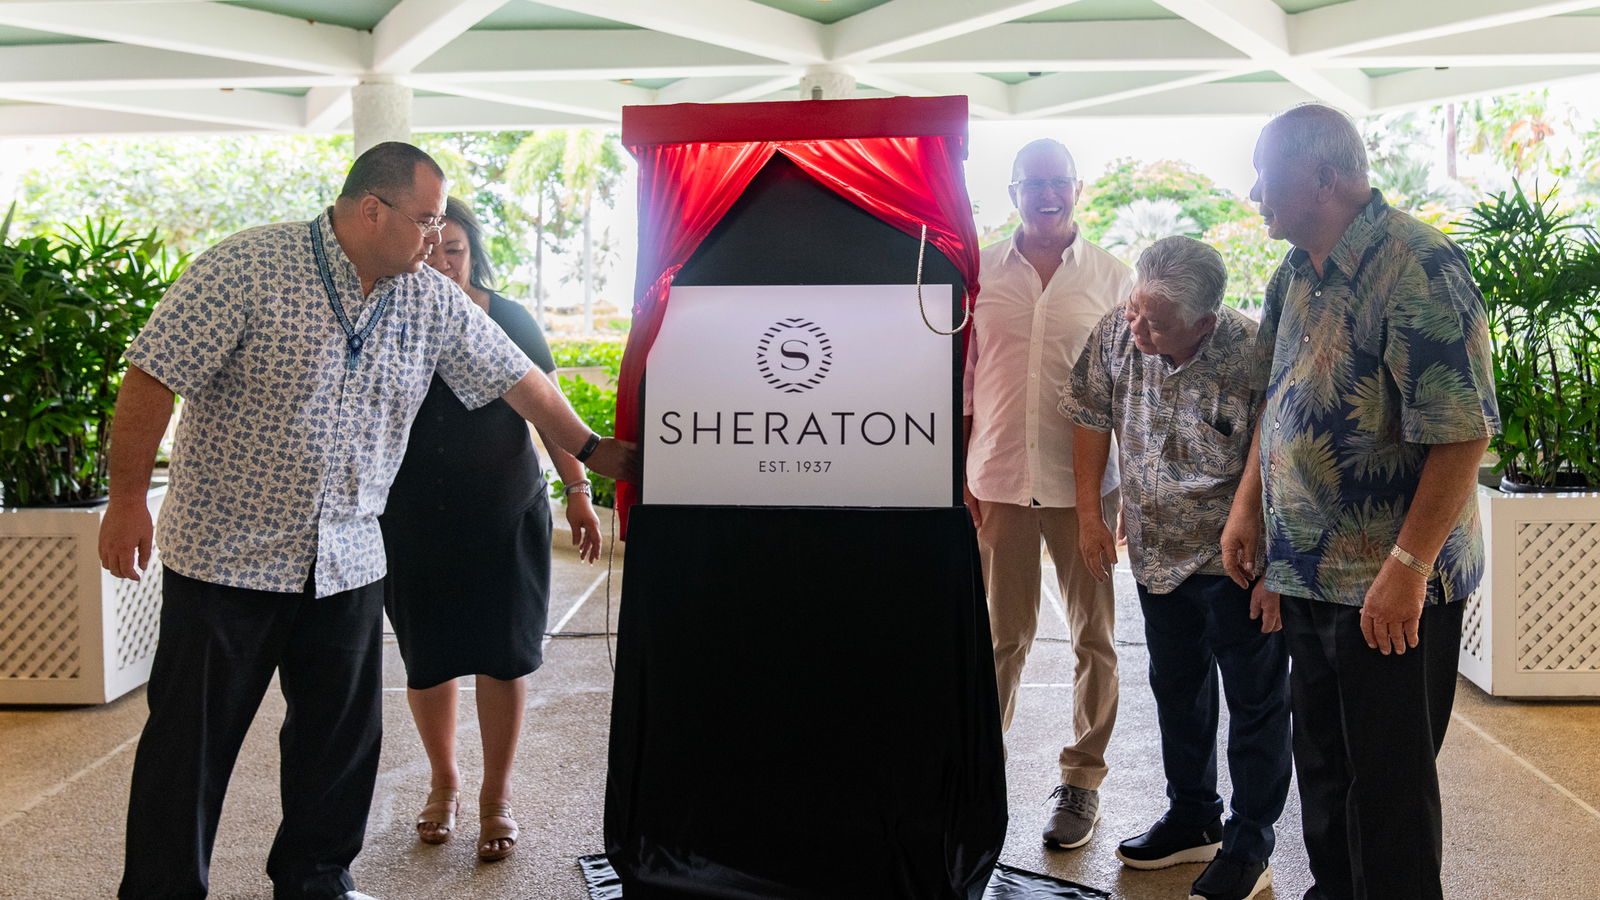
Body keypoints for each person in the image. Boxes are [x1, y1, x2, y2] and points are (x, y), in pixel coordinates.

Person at [99, 142, 637, 900]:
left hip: (349, 556)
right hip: (226, 557)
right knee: (189, 747)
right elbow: (155, 373)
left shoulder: (428, 295)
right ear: (371, 210)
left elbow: (520, 376)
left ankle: (318, 882)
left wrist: (589, 451)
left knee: (338, 748)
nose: (436, 240)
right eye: (425, 220)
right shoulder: (245, 266)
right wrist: (126, 501)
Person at [1220, 104, 1498, 900]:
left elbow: (1463, 433)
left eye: (1263, 175)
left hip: (1390, 588)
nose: (1252, 193)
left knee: (1390, 793)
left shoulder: (1419, 266)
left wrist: (1407, 567)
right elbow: (1280, 401)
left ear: (1322, 177)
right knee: (1328, 779)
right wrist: (1250, 511)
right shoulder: (1294, 271)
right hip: (1309, 573)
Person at [1064, 236, 1290, 900]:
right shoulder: (1118, 329)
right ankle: (1193, 817)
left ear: (1205, 323)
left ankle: (1251, 842)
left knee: (1255, 705)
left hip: (1237, 562)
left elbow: (1281, 459)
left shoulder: (1251, 353)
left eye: (1155, 322)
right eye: (1136, 310)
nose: (1137, 327)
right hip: (1157, 558)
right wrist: (1089, 516)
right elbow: (1087, 414)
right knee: (1178, 692)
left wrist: (1278, 571)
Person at [379, 196, 601, 863]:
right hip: (412, 520)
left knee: (504, 657)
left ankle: (494, 796)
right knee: (430, 658)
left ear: (473, 253)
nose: (443, 260)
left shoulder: (508, 318)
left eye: (456, 249)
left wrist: (581, 490)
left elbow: (548, 410)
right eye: (433, 247)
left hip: (505, 515)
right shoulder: (389, 314)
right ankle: (444, 782)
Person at [963, 137, 1131, 849]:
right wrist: (958, 471)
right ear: (1013, 191)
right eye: (1032, 182)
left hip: (1084, 489)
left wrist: (1126, 502)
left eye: (1058, 181)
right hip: (997, 477)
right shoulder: (979, 273)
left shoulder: (1114, 277)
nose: (1046, 193)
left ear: (1079, 187)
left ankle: (1082, 781)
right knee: (999, 639)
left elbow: (1133, 388)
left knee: (1094, 637)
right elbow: (965, 374)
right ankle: (977, 773)